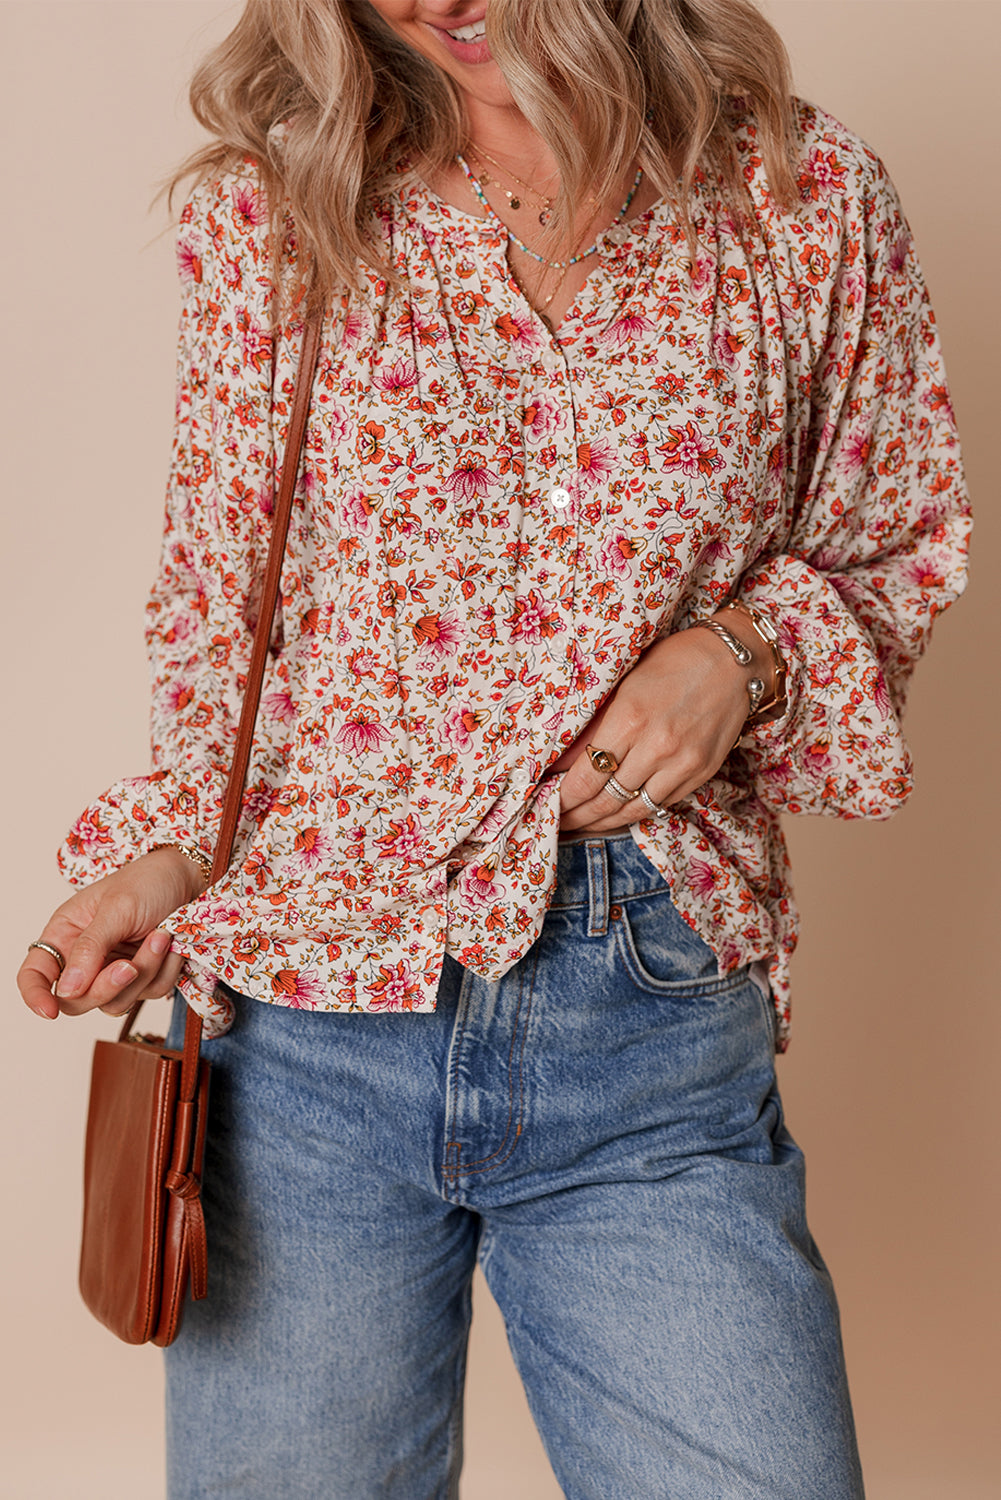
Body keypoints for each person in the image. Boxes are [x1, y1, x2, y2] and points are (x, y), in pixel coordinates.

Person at [18, 1, 970, 1495]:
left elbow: (897, 540)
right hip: (307, 1030)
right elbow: (222, 615)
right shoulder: (280, 209)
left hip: (644, 1026)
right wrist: (164, 862)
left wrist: (738, 652)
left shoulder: (793, 193)